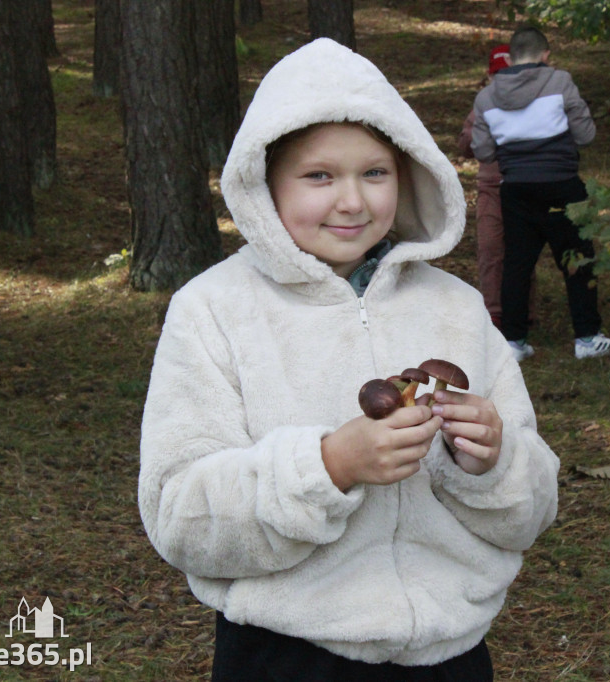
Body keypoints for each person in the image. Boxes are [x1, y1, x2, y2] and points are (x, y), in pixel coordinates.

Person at [138, 38, 560, 682]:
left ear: (408, 173)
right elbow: (180, 516)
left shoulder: (457, 307)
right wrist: (328, 466)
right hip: (285, 655)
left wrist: (492, 462)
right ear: (263, 184)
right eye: (319, 176)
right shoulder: (215, 310)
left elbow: (531, 512)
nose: (352, 201)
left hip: (449, 656)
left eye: (374, 172)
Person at [471, 26, 610, 360]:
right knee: (577, 259)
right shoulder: (560, 82)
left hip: (515, 190)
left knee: (517, 265)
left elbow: (483, 152)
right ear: (546, 55)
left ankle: (514, 342)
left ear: (511, 57)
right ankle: (587, 337)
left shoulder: (486, 99)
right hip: (561, 185)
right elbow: (585, 134)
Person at [457, 45, 537, 332]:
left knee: (522, 250)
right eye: (498, 76)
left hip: (525, 186)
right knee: (491, 248)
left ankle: (523, 312)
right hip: (491, 188)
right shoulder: (482, 107)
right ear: (490, 77)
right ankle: (494, 314)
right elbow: (465, 148)